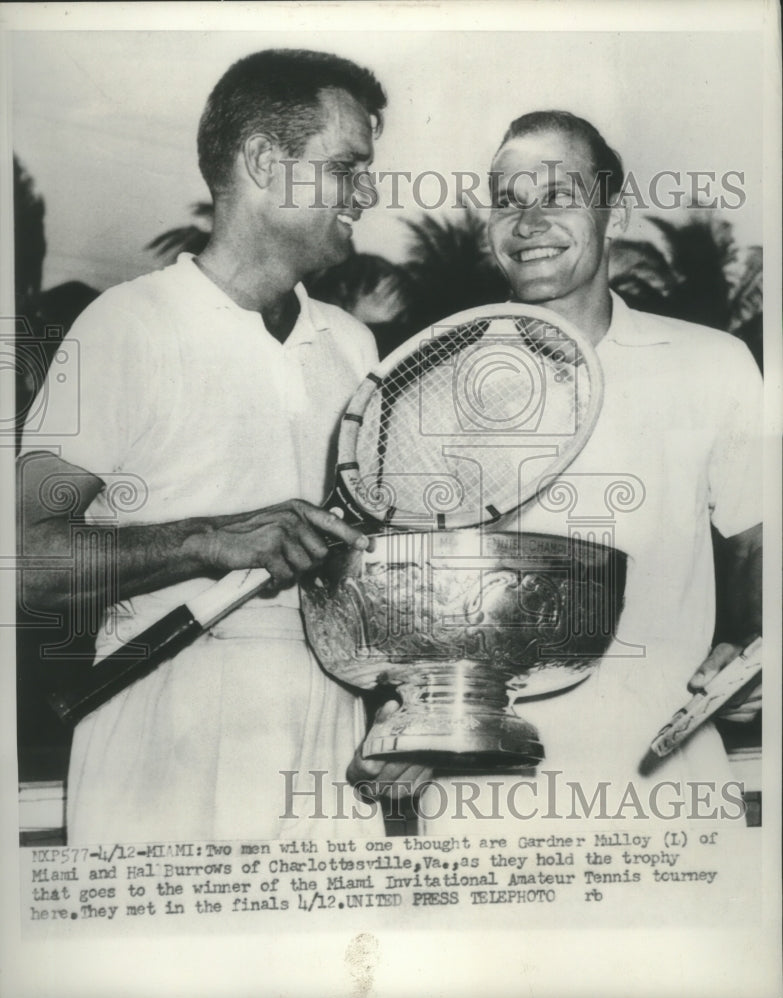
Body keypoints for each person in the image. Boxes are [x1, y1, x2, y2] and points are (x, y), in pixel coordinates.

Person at [17, 49, 395, 843]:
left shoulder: (356, 346)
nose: (368, 191)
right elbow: (26, 561)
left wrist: (402, 705)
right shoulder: (126, 326)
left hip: (330, 740)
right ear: (263, 161)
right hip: (161, 728)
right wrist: (212, 541)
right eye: (347, 167)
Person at [353, 110, 763, 829]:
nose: (528, 222)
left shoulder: (716, 364)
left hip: (670, 788)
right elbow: (402, 608)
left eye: (556, 196)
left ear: (615, 211)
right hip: (481, 795)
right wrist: (399, 719)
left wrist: (754, 652)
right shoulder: (427, 386)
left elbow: (760, 550)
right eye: (507, 203)